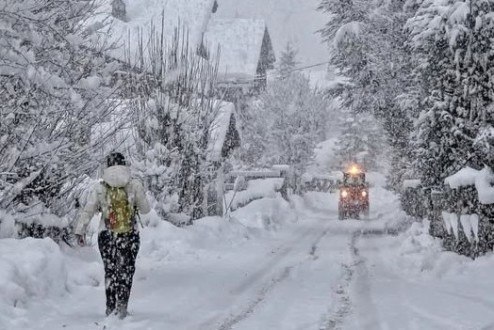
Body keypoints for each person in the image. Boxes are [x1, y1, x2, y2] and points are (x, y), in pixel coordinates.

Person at [74, 152, 150, 319]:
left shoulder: (100, 187)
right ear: (124, 165)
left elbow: (88, 210)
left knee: (110, 271)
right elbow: (146, 210)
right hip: (129, 235)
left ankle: (110, 308)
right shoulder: (133, 184)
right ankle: (122, 309)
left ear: (107, 166)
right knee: (126, 271)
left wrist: (80, 230)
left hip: (106, 235)